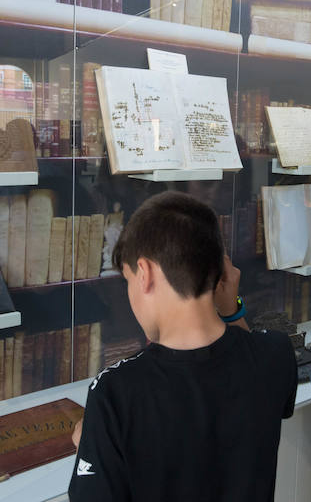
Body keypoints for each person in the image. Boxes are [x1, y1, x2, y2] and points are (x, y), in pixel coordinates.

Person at [68, 191, 297, 501]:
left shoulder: (115, 393)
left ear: (145, 273)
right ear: (221, 273)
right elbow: (245, 367)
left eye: (128, 280)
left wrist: (93, 444)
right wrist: (231, 309)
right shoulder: (276, 354)